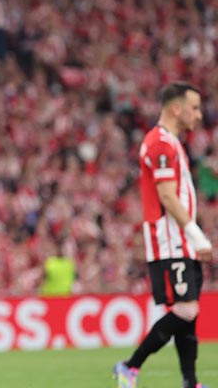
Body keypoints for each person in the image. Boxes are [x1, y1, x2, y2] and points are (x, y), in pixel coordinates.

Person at [113, 81, 214, 388]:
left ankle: (190, 382)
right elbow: (167, 197)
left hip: (181, 242)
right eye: (194, 108)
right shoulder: (160, 144)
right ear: (176, 108)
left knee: (189, 314)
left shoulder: (171, 142)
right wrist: (196, 234)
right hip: (170, 242)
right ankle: (130, 366)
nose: (199, 115)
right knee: (186, 310)